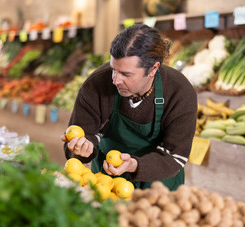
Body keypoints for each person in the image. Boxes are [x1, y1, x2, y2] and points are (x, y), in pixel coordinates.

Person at [61, 24, 197, 190]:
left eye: (126, 74)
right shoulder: (96, 84)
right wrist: (81, 149)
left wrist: (133, 164)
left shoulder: (179, 91)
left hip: (159, 184)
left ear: (153, 69)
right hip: (107, 181)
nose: (115, 80)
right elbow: (83, 135)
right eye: (113, 70)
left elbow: (175, 156)